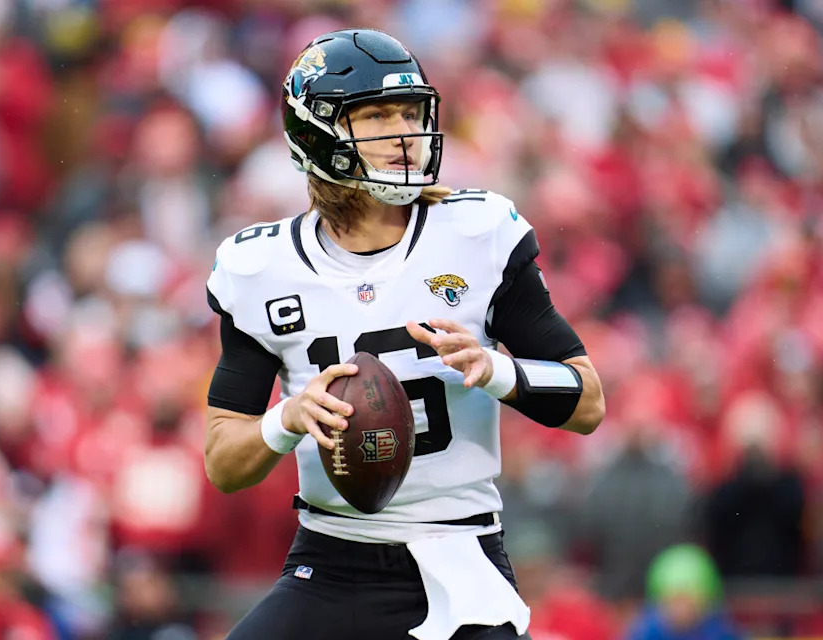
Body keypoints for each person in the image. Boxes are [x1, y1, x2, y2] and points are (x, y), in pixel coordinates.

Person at [203, 29, 605, 640]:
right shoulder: (260, 270)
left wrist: (496, 370)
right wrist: (286, 418)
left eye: (410, 113)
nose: (403, 134)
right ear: (319, 134)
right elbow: (224, 462)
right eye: (375, 116)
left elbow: (588, 401)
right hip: (330, 559)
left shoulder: (477, 234)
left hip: (458, 554)